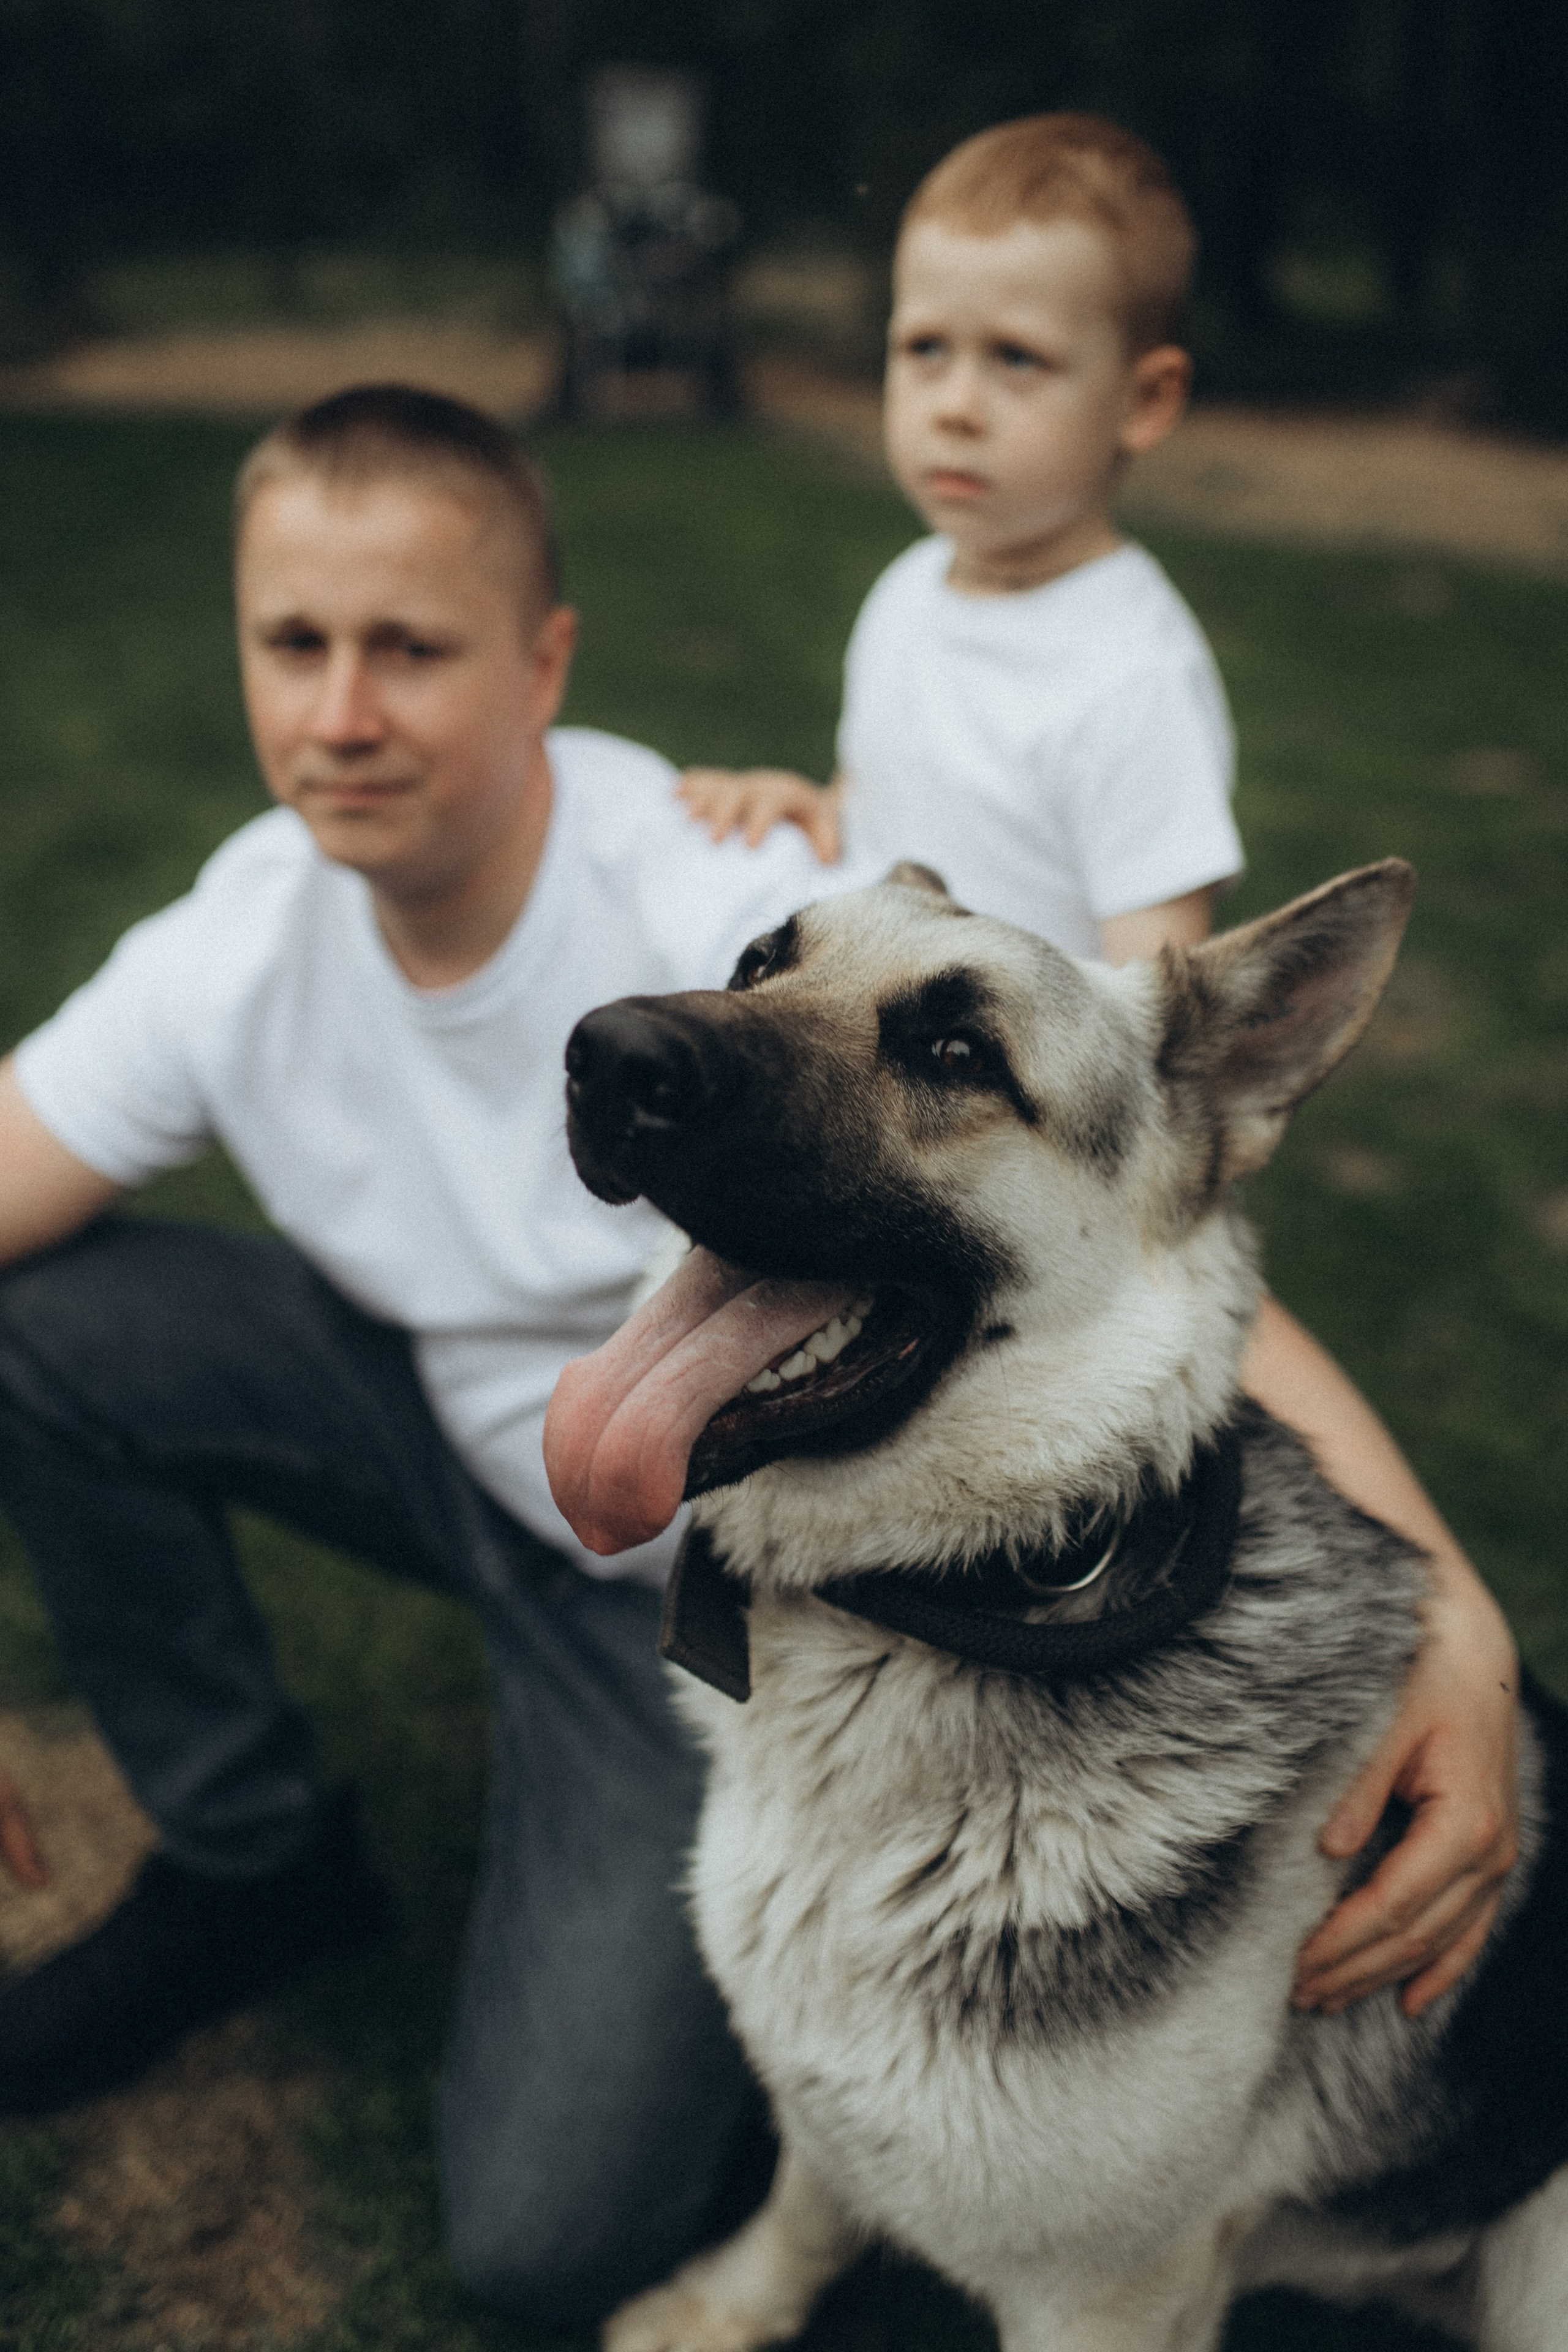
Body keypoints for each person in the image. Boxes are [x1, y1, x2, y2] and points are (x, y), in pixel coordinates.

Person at [0, 383, 883, 2326]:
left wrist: (1450, 1636)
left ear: (545, 658)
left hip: (698, 1596)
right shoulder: (251, 928)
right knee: (41, 1325)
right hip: (435, 1432)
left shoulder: (725, 920)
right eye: (294, 643)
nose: (338, 714)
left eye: (409, 646)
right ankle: (253, 1862)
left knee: (546, 2235)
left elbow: (1095, 1245)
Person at [677, 113, 1521, 2022]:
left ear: (1144, 399)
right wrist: (810, 808)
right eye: (924, 350)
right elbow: (916, 861)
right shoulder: (914, 589)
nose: (955, 409)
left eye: (1019, 363)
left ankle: (1437, 1624)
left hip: (1052, 1159)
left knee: (1207, 1395)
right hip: (898, 1110)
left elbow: (1162, 1031)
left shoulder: (1130, 675)